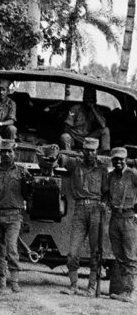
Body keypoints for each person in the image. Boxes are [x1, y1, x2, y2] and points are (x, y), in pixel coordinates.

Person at [0, 138, 33, 295]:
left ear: (14, 153)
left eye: (9, 151)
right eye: (3, 152)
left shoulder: (22, 172)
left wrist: (28, 184)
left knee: (11, 248)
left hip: (14, 215)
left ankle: (15, 282)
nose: (6, 155)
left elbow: (29, 194)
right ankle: (1, 283)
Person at [61, 137, 109, 297]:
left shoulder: (102, 169)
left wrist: (104, 204)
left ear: (97, 152)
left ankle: (91, 287)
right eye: (87, 150)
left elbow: (106, 193)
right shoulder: (74, 164)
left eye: (93, 150)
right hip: (79, 209)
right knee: (73, 251)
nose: (90, 153)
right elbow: (57, 157)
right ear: (82, 151)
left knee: (96, 251)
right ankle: (73, 286)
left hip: (96, 210)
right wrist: (55, 150)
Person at [106, 147, 137, 303]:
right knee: (120, 257)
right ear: (112, 160)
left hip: (129, 219)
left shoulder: (133, 175)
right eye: (115, 159)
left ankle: (131, 292)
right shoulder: (110, 177)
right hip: (114, 219)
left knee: (130, 257)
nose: (118, 162)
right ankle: (125, 290)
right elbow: (105, 194)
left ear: (126, 160)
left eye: (121, 159)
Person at [61, 87, 111, 152]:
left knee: (106, 130)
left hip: (88, 138)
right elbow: (67, 127)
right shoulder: (75, 108)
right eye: (87, 98)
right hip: (74, 137)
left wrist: (93, 109)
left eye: (92, 98)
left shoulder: (96, 111)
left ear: (95, 100)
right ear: (83, 98)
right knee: (65, 136)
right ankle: (69, 154)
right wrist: (76, 139)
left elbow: (103, 125)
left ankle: (105, 153)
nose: (89, 101)